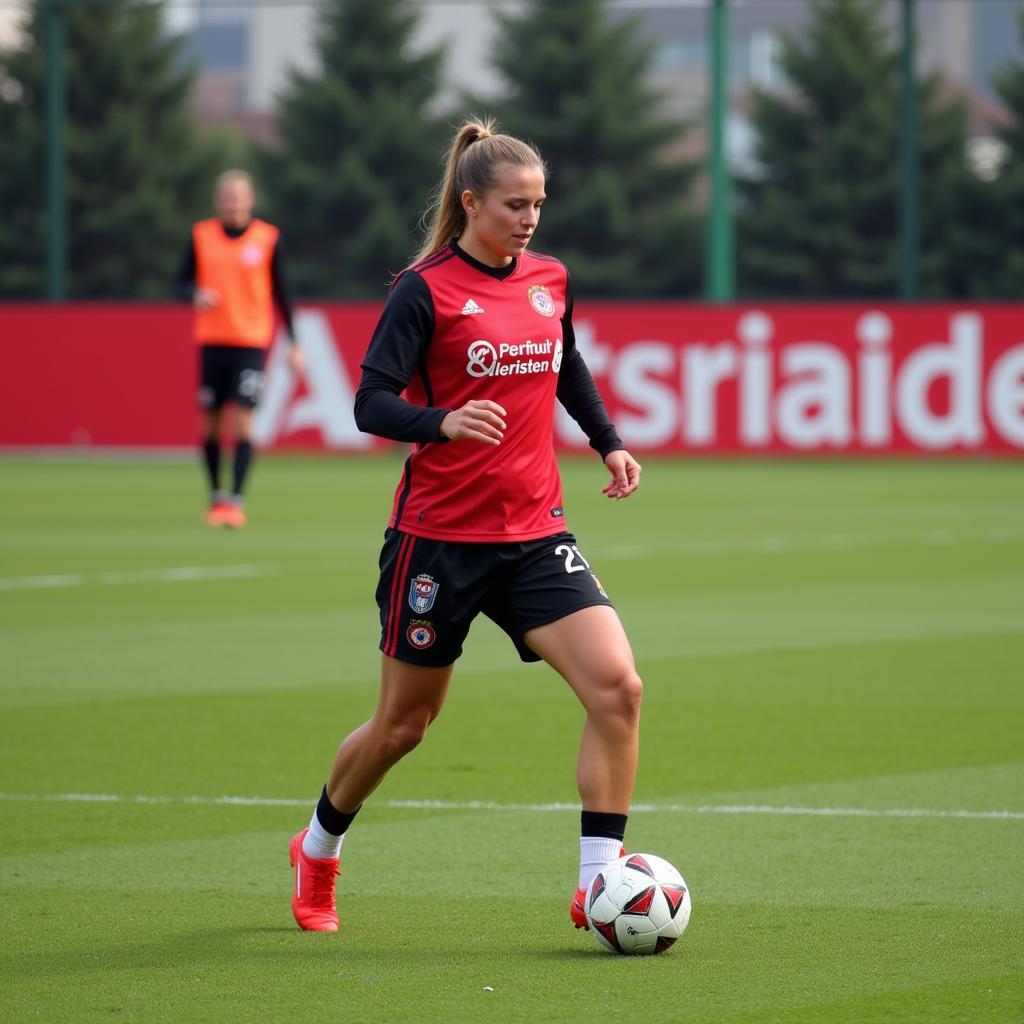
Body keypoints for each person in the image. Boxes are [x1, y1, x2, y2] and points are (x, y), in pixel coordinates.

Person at [288, 118, 643, 935]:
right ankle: (316, 849)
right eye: (515, 204)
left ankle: (597, 886)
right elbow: (370, 400)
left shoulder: (550, 277)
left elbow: (567, 361)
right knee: (404, 726)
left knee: (618, 690)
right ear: (470, 200)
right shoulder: (425, 289)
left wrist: (610, 441)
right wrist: (440, 421)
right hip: (438, 542)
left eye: (539, 205)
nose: (529, 219)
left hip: (534, 534)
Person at [175, 169, 304, 528]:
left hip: (250, 342)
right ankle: (216, 496)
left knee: (244, 420)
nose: (233, 203)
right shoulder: (201, 236)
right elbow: (178, 282)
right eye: (227, 197)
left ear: (250, 200)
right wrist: (194, 294)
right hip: (212, 342)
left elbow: (283, 293)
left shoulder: (267, 238)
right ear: (218, 201)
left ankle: (236, 500)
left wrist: (294, 343)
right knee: (212, 423)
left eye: (239, 196)